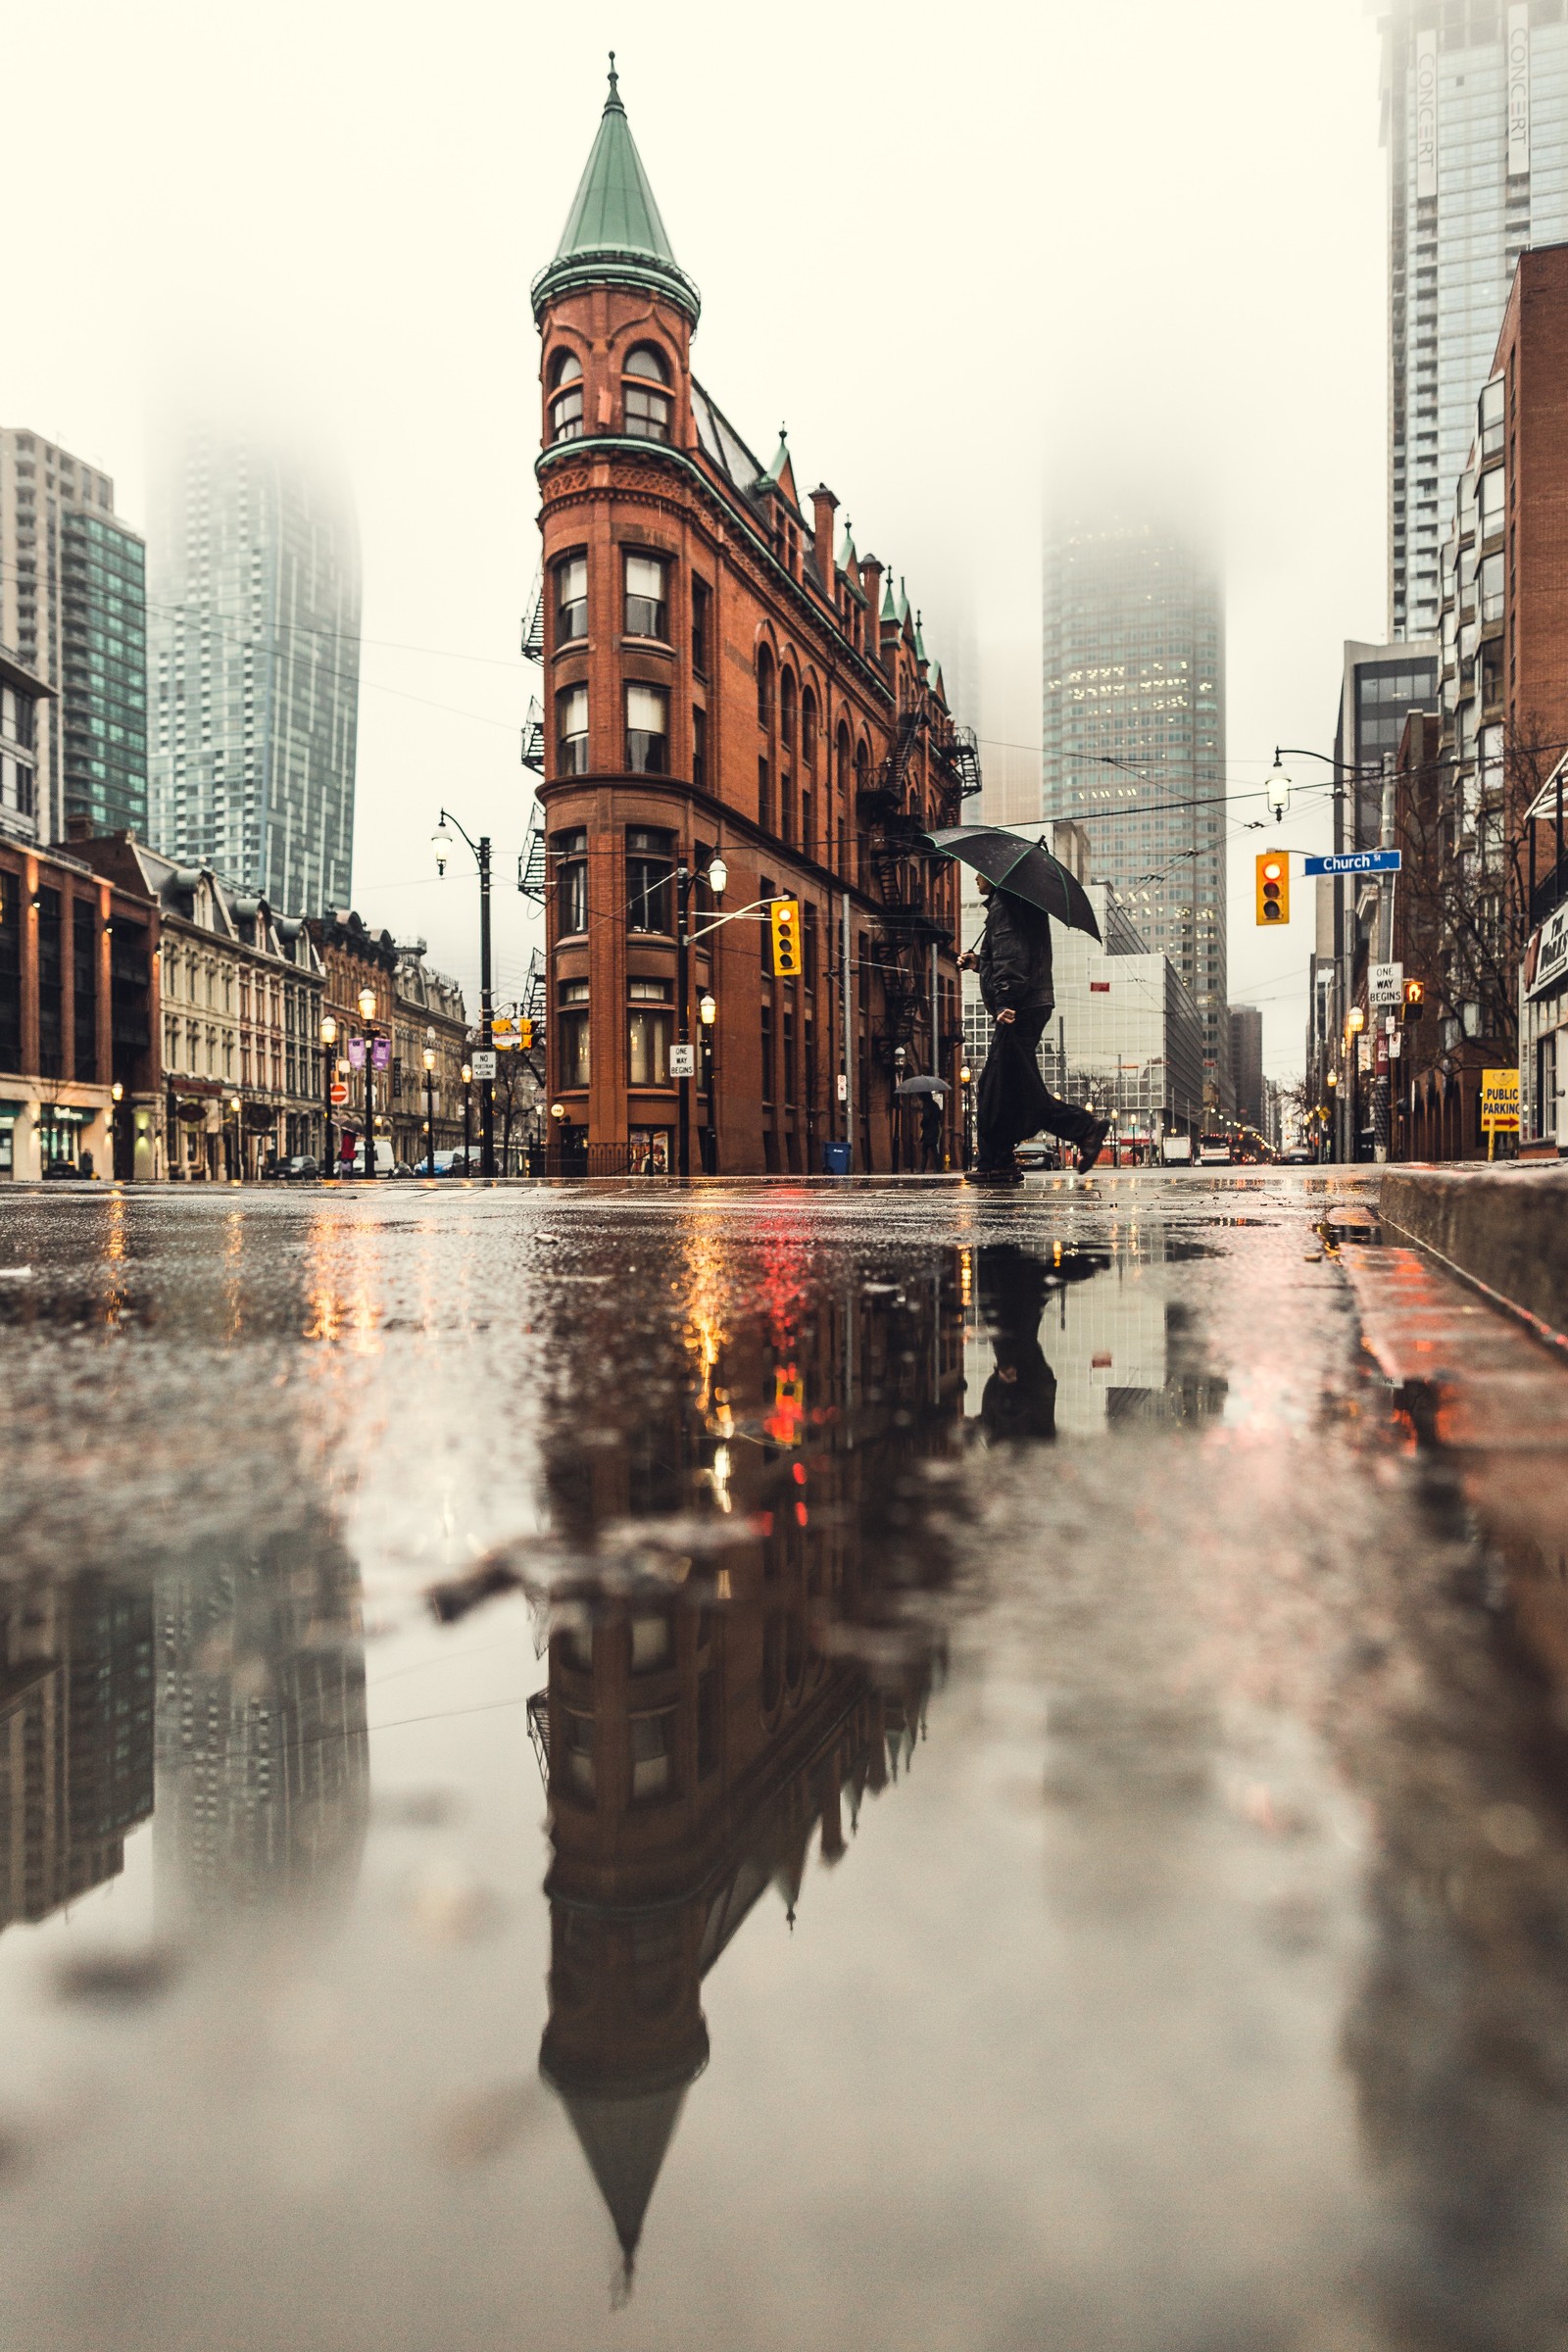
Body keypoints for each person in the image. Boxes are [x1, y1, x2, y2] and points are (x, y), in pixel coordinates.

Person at [959, 875, 1108, 1184]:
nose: (975, 877)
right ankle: (997, 1160)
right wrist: (979, 963)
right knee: (996, 1086)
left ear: (995, 875)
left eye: (979, 873)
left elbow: (1013, 957)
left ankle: (1084, 1128)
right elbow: (1012, 953)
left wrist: (1005, 1001)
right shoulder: (1016, 902)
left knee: (1016, 1091)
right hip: (1027, 1003)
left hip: (1018, 1007)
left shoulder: (1006, 904)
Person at [919, 1092, 944, 1172]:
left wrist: (922, 1123)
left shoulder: (927, 1105)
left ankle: (923, 1169)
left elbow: (926, 1117)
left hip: (929, 1130)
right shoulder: (935, 1105)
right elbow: (940, 1117)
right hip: (934, 1128)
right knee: (933, 1148)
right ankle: (939, 1168)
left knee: (925, 1149)